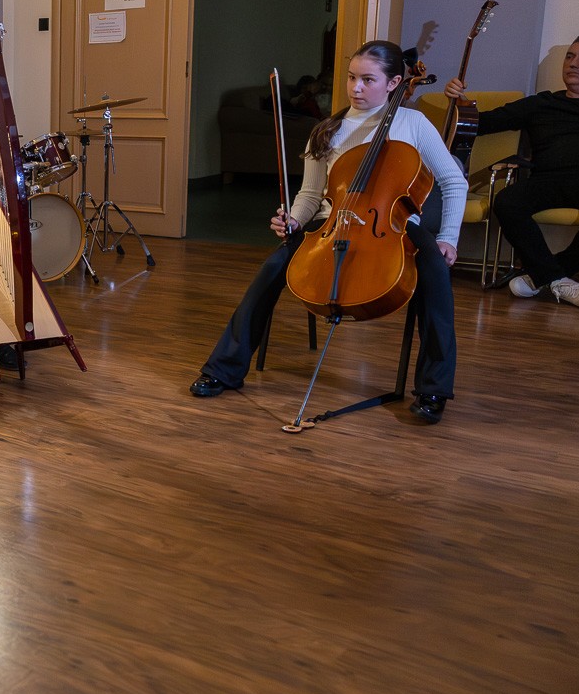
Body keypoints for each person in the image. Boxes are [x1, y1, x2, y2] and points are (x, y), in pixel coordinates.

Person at [188, 40, 468, 424]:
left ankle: (433, 388)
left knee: (435, 273)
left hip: (396, 225)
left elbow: (453, 181)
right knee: (271, 269)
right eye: (352, 78)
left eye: (368, 80)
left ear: (394, 83)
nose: (356, 88)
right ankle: (223, 369)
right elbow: (310, 194)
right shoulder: (327, 129)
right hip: (330, 222)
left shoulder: (413, 124)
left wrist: (448, 236)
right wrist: (293, 220)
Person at [445, 34, 579, 307]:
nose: (573, 63)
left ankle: (541, 276)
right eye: (570, 56)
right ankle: (557, 280)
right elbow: (481, 124)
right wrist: (460, 102)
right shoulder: (541, 104)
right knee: (507, 201)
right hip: (547, 181)